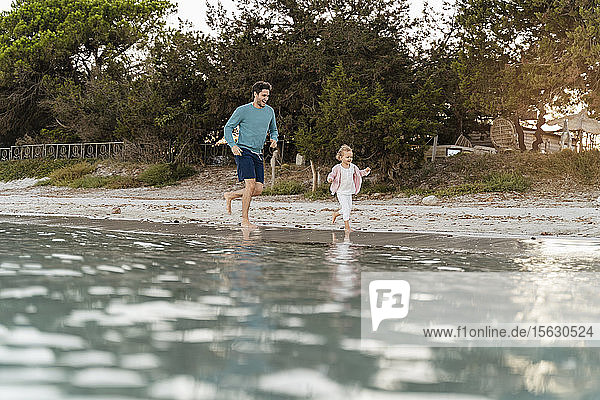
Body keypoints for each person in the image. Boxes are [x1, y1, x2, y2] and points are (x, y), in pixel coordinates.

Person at [223, 81, 278, 228]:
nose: (266, 98)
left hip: (258, 153)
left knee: (258, 190)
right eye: (263, 95)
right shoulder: (242, 110)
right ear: (255, 94)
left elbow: (274, 130)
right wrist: (232, 145)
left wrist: (274, 139)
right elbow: (228, 127)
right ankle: (245, 220)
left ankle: (231, 195)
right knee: (250, 185)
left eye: (267, 95)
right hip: (243, 150)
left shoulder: (269, 111)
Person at [327, 144, 371, 232]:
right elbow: (332, 174)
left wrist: (365, 171)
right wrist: (330, 179)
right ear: (340, 157)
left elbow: (359, 173)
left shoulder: (353, 167)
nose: (349, 159)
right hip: (340, 191)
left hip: (349, 191)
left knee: (348, 208)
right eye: (347, 157)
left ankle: (336, 214)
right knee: (346, 208)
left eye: (351, 157)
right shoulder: (337, 168)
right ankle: (347, 227)